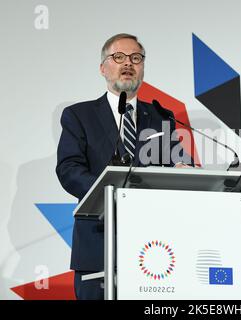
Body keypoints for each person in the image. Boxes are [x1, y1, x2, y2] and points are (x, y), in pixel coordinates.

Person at [56, 33, 192, 300]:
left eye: (136, 58)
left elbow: (179, 161)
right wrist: (109, 193)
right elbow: (69, 168)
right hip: (98, 240)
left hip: (154, 248)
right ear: (103, 67)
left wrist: (183, 168)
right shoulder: (79, 115)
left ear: (143, 68)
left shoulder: (161, 117)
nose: (128, 63)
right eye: (118, 57)